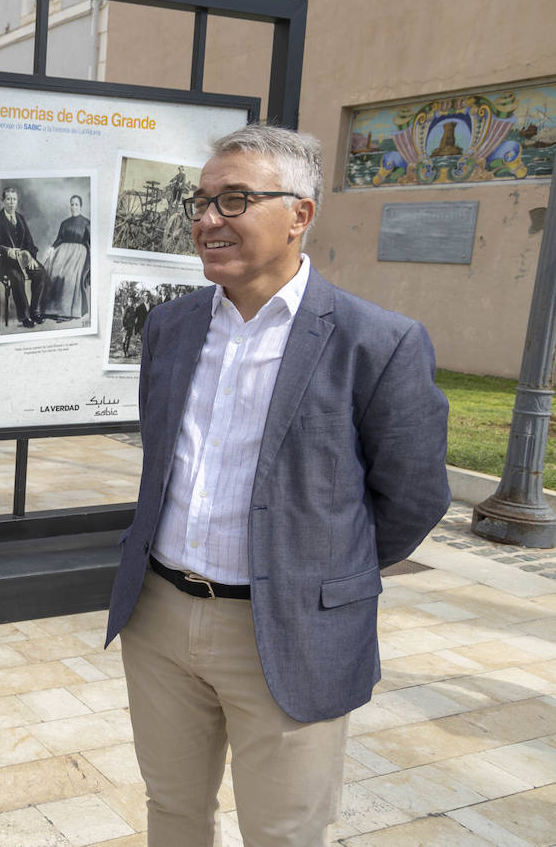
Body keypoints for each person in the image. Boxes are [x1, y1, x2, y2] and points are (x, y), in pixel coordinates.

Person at [104, 125, 450, 845]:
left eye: (234, 200)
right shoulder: (170, 326)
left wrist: (315, 571)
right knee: (171, 811)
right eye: (200, 202)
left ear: (300, 214)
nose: (206, 220)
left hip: (289, 628)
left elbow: (412, 498)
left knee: (285, 832)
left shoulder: (376, 342)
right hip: (161, 616)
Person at [0, 186, 48, 327]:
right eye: (8, 199)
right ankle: (24, 317)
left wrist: (30, 256)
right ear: (3, 201)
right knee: (17, 278)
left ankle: (35, 311)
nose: (11, 202)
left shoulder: (20, 218)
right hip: (5, 263)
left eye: (14, 199)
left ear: (17, 201)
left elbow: (29, 242)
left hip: (23, 260)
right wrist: (6, 251)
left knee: (41, 273)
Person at [37, 194, 91, 321]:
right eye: (72, 204)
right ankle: (51, 310)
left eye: (76, 204)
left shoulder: (87, 223)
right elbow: (59, 239)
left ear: (81, 206)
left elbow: (90, 243)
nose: (74, 207)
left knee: (68, 275)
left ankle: (66, 311)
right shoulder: (65, 223)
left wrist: (90, 258)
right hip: (63, 251)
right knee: (53, 271)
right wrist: (51, 249)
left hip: (79, 253)